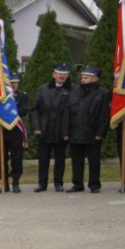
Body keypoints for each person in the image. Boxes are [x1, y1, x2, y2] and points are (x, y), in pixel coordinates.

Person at [29, 62, 72, 192]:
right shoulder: (43, 89)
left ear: (68, 75)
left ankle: (58, 183)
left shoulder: (72, 90)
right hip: (44, 130)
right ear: (54, 74)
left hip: (61, 131)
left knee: (60, 159)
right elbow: (34, 110)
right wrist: (36, 127)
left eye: (64, 74)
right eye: (59, 74)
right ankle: (42, 184)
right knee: (43, 159)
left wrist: (68, 131)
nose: (62, 76)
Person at [67, 65, 110, 193]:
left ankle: (94, 184)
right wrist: (67, 132)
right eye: (82, 77)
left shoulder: (103, 93)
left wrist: (100, 133)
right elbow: (68, 112)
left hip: (93, 133)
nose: (82, 79)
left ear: (94, 78)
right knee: (76, 161)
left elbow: (105, 115)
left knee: (94, 161)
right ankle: (77, 184)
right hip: (75, 132)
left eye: (86, 77)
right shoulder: (75, 91)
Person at [0, 73, 29, 193]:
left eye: (15, 82)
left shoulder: (22, 96)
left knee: (17, 157)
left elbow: (24, 110)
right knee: (0, 158)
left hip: (16, 131)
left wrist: (8, 112)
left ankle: (15, 182)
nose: (13, 84)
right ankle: (4, 182)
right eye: (11, 82)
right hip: (1, 130)